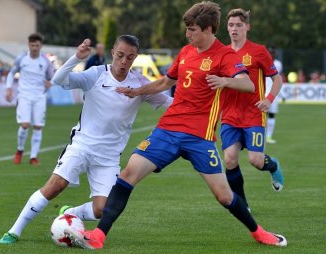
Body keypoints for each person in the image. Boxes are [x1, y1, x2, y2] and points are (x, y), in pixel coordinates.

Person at [66, 1, 287, 249]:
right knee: (128, 174)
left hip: (199, 137)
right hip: (168, 130)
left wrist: (225, 81)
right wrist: (136, 91)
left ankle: (259, 233)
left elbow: (247, 85)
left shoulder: (226, 55)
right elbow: (164, 83)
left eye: (192, 29)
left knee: (224, 196)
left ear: (208, 29)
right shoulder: (186, 52)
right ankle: (98, 236)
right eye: (188, 29)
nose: (188, 34)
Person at [0, 35, 173, 244]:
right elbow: (59, 80)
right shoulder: (96, 75)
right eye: (120, 55)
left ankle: (71, 213)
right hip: (82, 146)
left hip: (109, 157)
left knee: (102, 210)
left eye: (130, 57)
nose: (124, 62)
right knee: (55, 185)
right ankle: (14, 231)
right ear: (112, 53)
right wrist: (75, 58)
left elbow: (170, 104)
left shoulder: (140, 84)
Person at [221, 8, 285, 211]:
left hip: (253, 114)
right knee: (230, 159)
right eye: (231, 25)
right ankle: (241, 204)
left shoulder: (258, 51)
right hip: (230, 115)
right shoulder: (222, 53)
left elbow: (277, 79)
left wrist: (269, 99)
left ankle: (273, 165)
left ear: (247, 27)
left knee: (256, 161)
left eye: (238, 25)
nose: (234, 29)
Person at [5, 33, 54, 165]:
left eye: (37, 45)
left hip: (39, 96)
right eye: (32, 45)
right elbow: (11, 73)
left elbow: (52, 77)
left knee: (38, 126)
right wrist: (9, 88)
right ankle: (20, 150)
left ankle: (33, 157)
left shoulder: (45, 61)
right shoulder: (22, 58)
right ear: (29, 45)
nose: (34, 48)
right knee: (25, 125)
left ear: (41, 46)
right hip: (24, 95)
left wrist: (50, 83)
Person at [265, 47, 283, 144]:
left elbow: (278, 79)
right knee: (262, 115)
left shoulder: (278, 64)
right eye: (271, 53)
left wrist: (282, 93)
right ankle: (262, 135)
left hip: (274, 94)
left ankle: (269, 136)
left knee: (272, 115)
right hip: (263, 93)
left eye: (273, 53)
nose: (272, 54)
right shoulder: (262, 61)